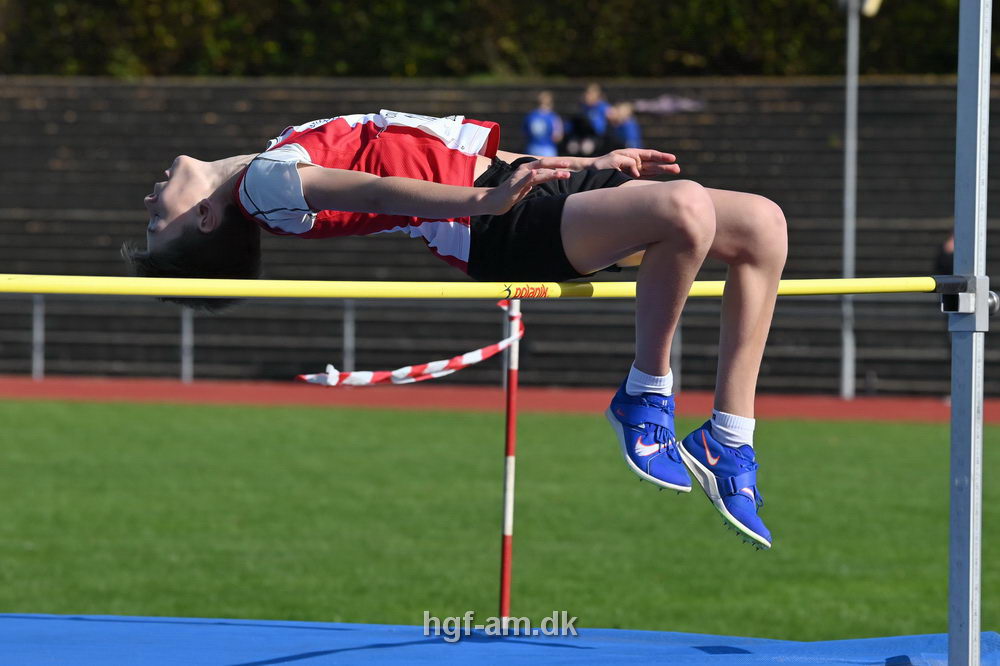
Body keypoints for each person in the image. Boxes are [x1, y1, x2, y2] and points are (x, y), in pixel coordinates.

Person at [127, 110, 787, 549]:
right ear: (205, 224)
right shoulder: (259, 189)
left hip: (514, 182)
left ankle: (728, 437)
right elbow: (381, 191)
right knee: (685, 208)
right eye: (160, 224)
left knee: (763, 226)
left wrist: (583, 166)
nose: (153, 203)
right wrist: (488, 202)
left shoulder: (266, 159)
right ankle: (646, 394)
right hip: (494, 224)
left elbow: (443, 149)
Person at [523, 91, 564, 157]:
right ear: (551, 103)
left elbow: (525, 133)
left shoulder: (530, 116)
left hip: (532, 148)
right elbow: (557, 136)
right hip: (548, 149)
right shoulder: (553, 117)